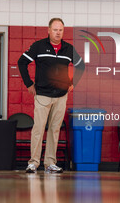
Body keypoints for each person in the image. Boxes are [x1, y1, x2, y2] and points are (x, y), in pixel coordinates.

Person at [18, 18, 85, 174]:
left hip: (61, 96)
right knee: (38, 129)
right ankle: (33, 163)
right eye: (55, 30)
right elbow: (22, 62)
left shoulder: (68, 48)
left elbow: (81, 65)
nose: (58, 33)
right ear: (48, 30)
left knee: (55, 130)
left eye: (60, 30)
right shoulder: (38, 46)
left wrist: (73, 83)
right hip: (42, 95)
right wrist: (29, 84)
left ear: (63, 31)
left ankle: (50, 163)